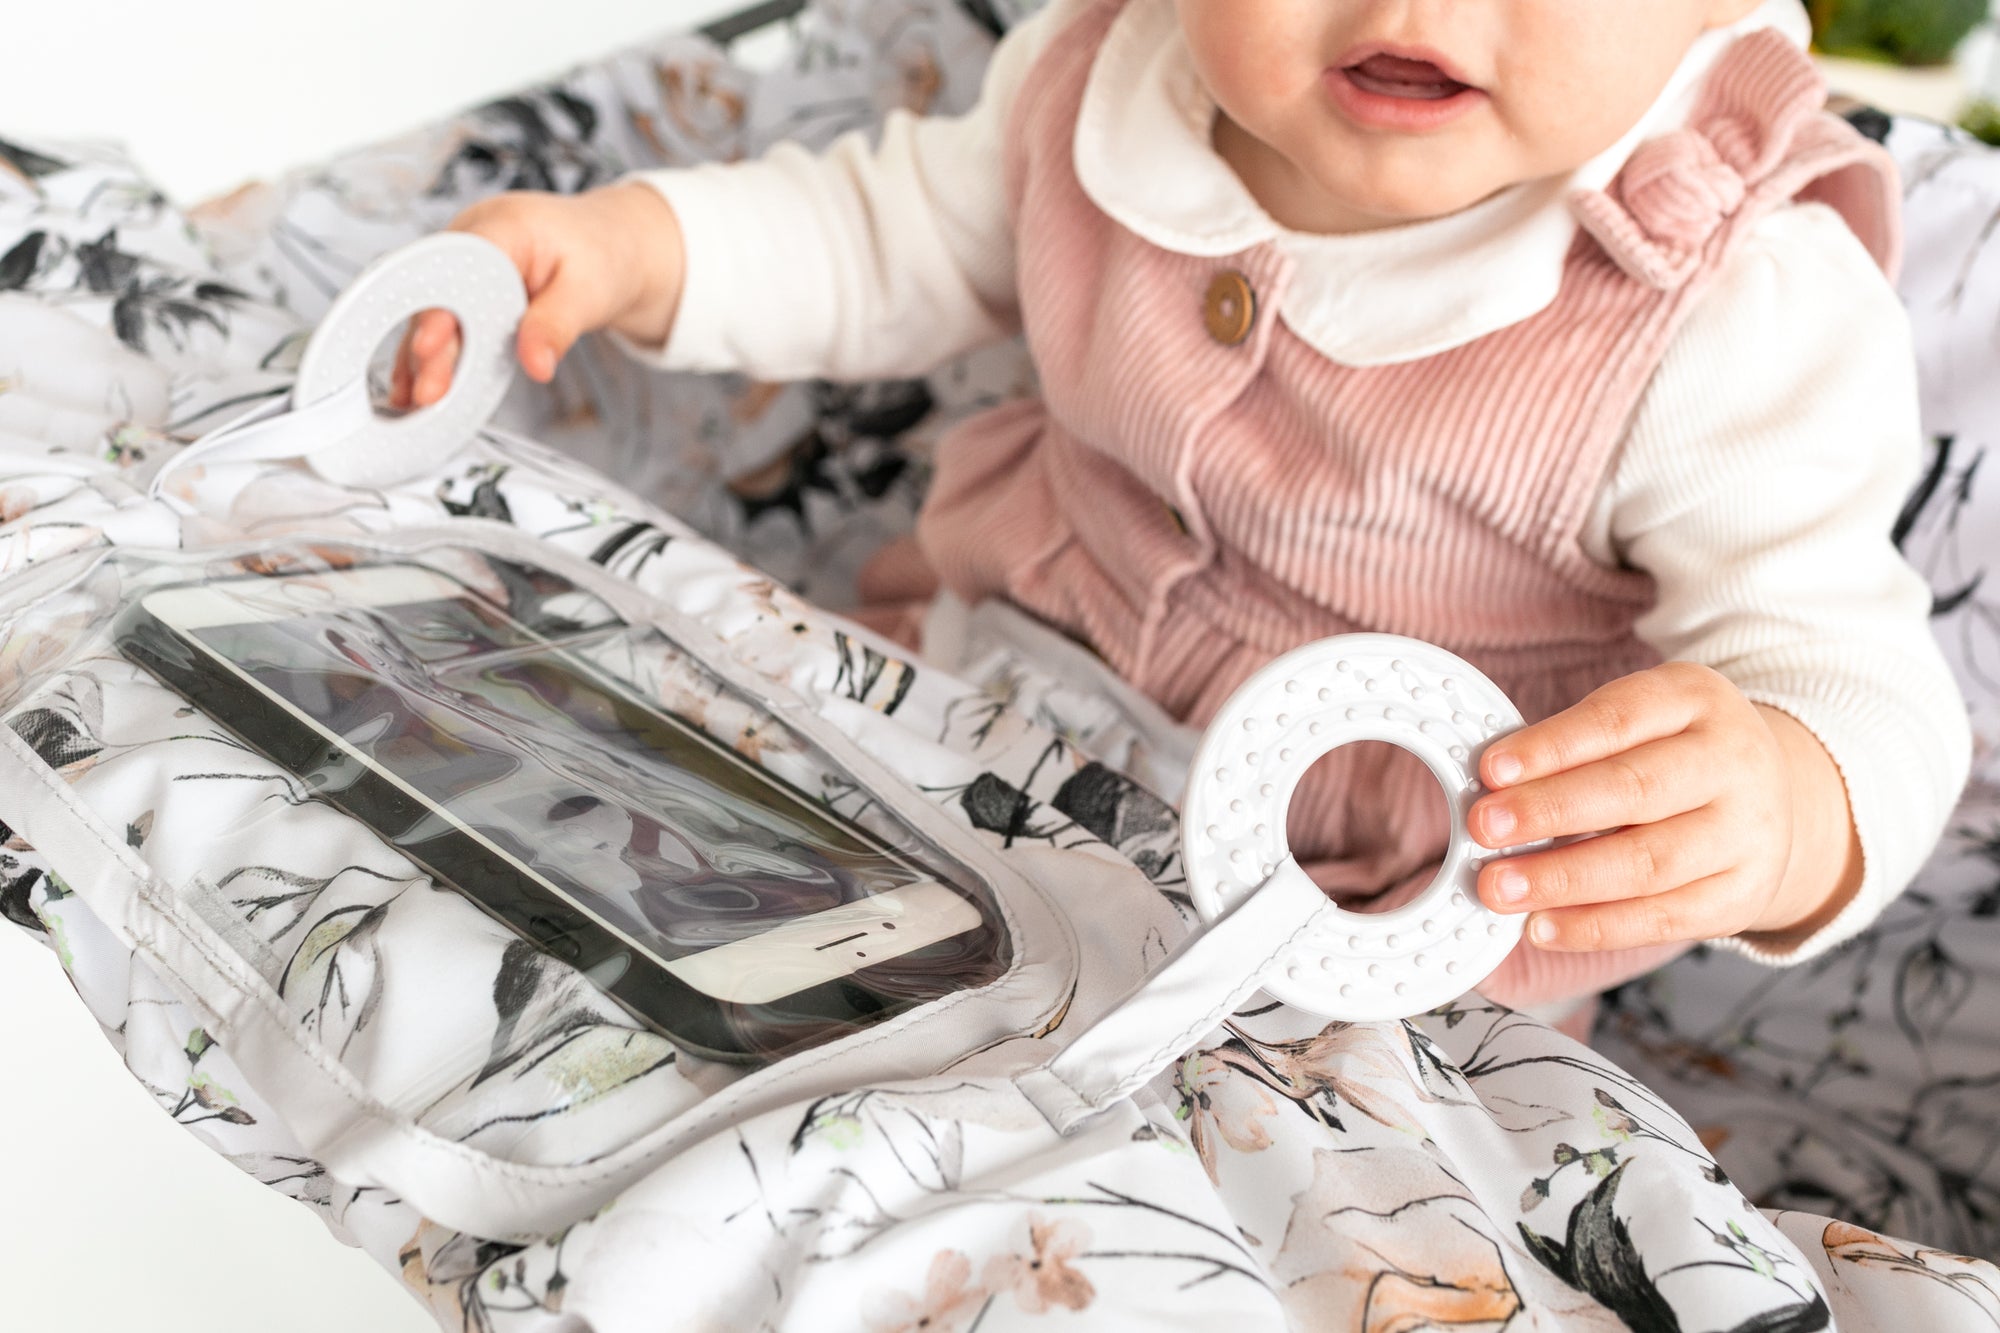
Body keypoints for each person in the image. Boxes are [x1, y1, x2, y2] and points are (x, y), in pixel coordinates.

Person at [392, 0, 1970, 1027]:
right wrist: (631, 248)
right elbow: (882, 235)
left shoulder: (1731, 305)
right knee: (667, 963)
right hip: (962, 722)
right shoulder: (1104, 80)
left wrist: (1785, 800)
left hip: (1353, 941)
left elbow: (1857, 679)